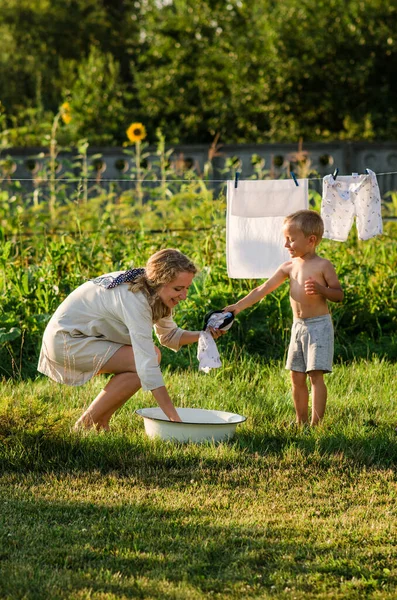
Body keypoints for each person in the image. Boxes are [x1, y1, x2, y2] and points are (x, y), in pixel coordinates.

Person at [38, 248, 225, 430]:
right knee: (144, 360)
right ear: (160, 281)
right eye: (178, 288)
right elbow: (147, 364)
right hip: (66, 343)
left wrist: (204, 335)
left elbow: (169, 336)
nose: (184, 296)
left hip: (82, 340)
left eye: (187, 288)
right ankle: (87, 424)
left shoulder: (151, 290)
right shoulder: (135, 298)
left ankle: (98, 423)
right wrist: (174, 419)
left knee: (146, 358)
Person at [224, 210, 344, 426]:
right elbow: (262, 289)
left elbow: (338, 295)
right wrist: (237, 307)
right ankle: (301, 421)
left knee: (315, 375)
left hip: (319, 327)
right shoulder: (288, 267)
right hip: (298, 327)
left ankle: (316, 425)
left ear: (311, 240)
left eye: (291, 239)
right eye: (285, 239)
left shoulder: (323, 266)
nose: (286, 245)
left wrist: (321, 289)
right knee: (296, 376)